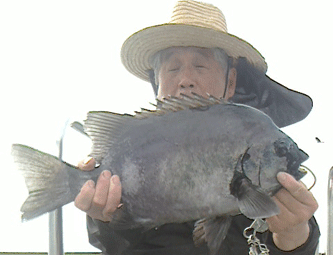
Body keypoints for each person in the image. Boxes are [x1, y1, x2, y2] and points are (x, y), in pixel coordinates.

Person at [74, 1, 320, 254]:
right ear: (156, 83)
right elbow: (119, 245)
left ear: (231, 81)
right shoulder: (131, 145)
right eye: (172, 68)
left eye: (200, 66)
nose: (185, 81)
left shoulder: (256, 143)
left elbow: (290, 241)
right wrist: (105, 219)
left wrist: (295, 235)